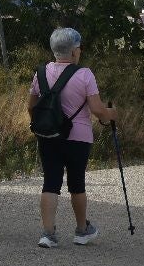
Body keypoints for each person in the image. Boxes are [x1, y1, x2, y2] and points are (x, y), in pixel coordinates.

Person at [30, 27, 117, 248]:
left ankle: (48, 233)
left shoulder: (41, 73)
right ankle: (81, 230)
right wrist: (110, 115)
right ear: (75, 51)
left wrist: (48, 122)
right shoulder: (84, 74)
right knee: (77, 183)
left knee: (51, 181)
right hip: (78, 136)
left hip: (48, 134)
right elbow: (97, 109)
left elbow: (31, 106)